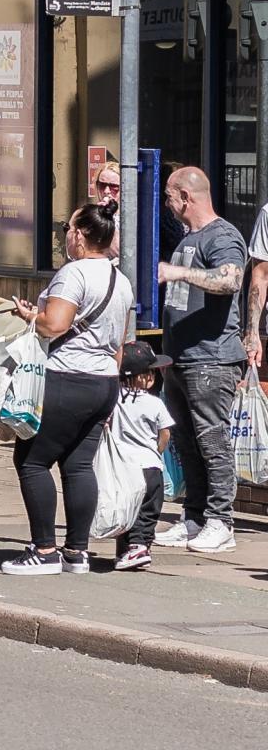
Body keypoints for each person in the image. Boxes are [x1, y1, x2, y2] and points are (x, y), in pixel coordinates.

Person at [3, 204, 135, 575]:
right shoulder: (119, 280)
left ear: (79, 235)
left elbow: (55, 325)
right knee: (78, 465)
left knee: (32, 461)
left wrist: (32, 317)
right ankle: (77, 552)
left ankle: (44, 550)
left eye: (67, 227)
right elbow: (120, 342)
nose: (65, 235)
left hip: (65, 378)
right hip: (104, 381)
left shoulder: (73, 273)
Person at [150, 167, 244, 555]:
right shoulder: (189, 237)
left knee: (212, 441)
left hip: (211, 359)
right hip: (181, 357)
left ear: (185, 197)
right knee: (186, 443)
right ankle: (194, 519)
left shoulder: (222, 236)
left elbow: (230, 281)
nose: (169, 206)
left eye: (170, 198)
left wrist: (179, 273)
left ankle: (221, 522)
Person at [111, 343, 176, 572]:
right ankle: (140, 546)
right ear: (146, 378)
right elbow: (165, 433)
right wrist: (157, 450)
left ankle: (130, 548)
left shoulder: (114, 399)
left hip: (123, 466)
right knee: (148, 510)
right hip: (150, 466)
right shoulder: (155, 402)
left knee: (128, 508)